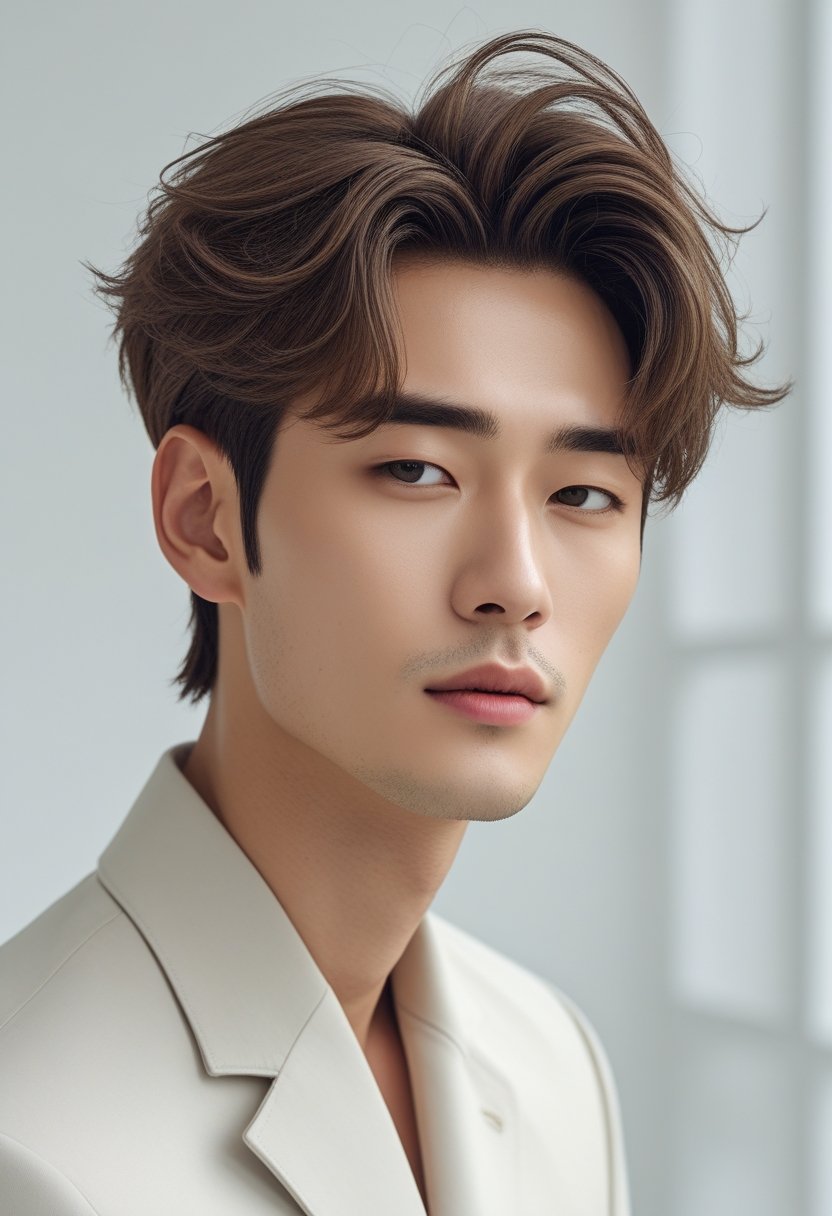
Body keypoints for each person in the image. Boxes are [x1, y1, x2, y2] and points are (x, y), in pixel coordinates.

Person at [0, 27, 790, 1216]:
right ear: (206, 520)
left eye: (583, 493)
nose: (514, 582)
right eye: (417, 471)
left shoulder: (554, 1064)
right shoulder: (30, 1136)